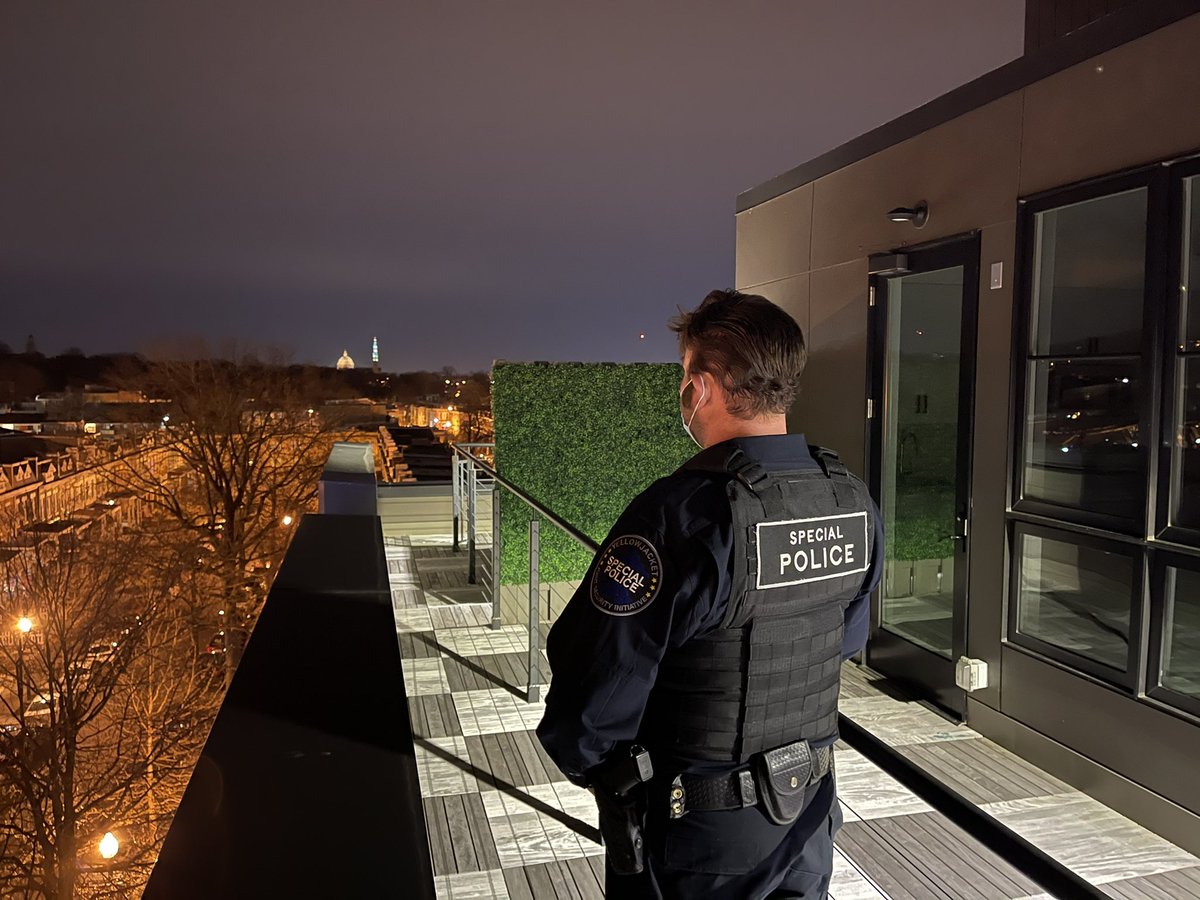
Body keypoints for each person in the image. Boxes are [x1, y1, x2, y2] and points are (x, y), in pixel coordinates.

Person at [536, 289, 884, 899]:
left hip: (696, 838)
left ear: (700, 387)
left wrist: (604, 774)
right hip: (808, 821)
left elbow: (594, 689)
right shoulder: (850, 499)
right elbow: (842, 641)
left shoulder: (683, 514)